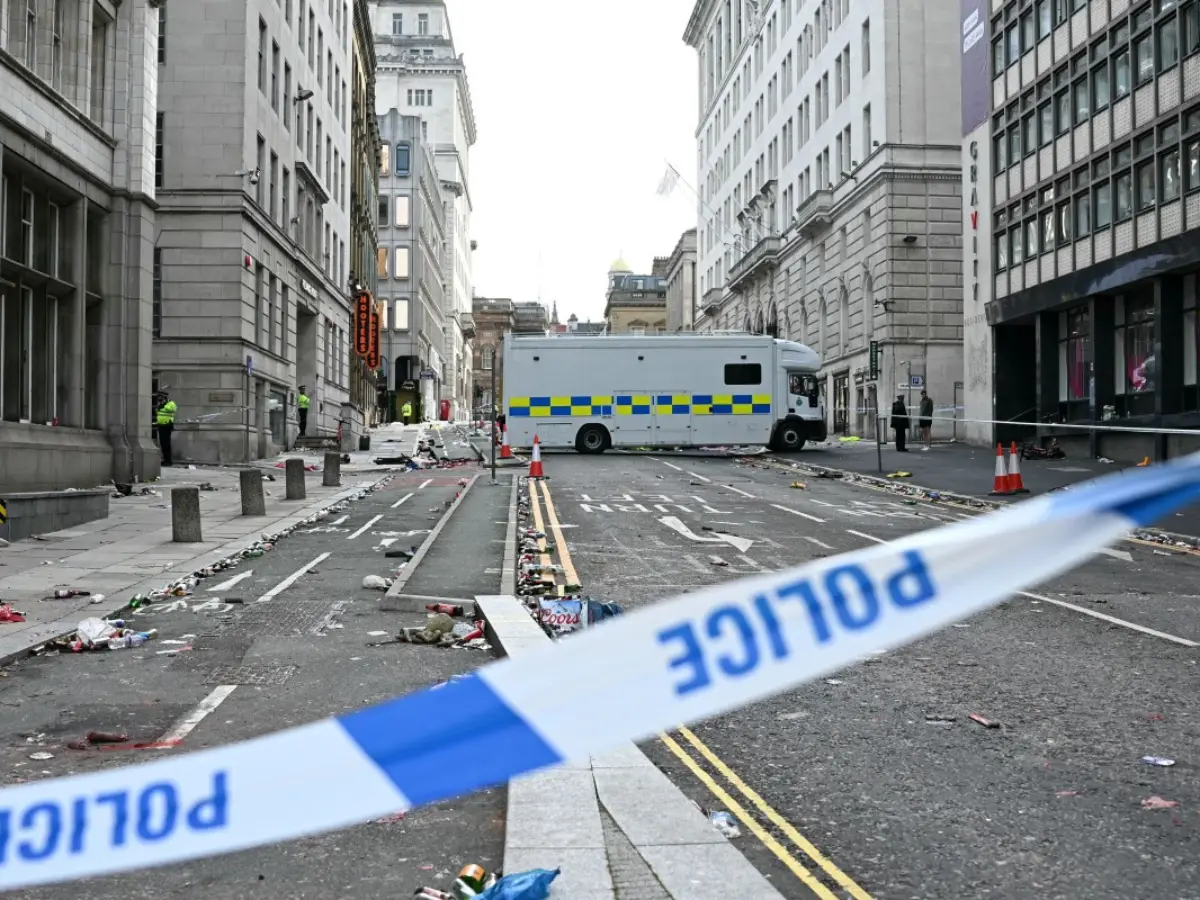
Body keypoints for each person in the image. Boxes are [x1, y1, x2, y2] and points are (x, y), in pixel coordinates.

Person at [155, 391, 177, 467]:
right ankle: (165, 460)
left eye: (160, 397)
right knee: (163, 444)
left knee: (166, 444)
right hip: (161, 425)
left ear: (164, 397)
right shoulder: (160, 404)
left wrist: (164, 404)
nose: (159, 399)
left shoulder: (170, 403)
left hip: (167, 425)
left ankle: (168, 461)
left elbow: (172, 409)